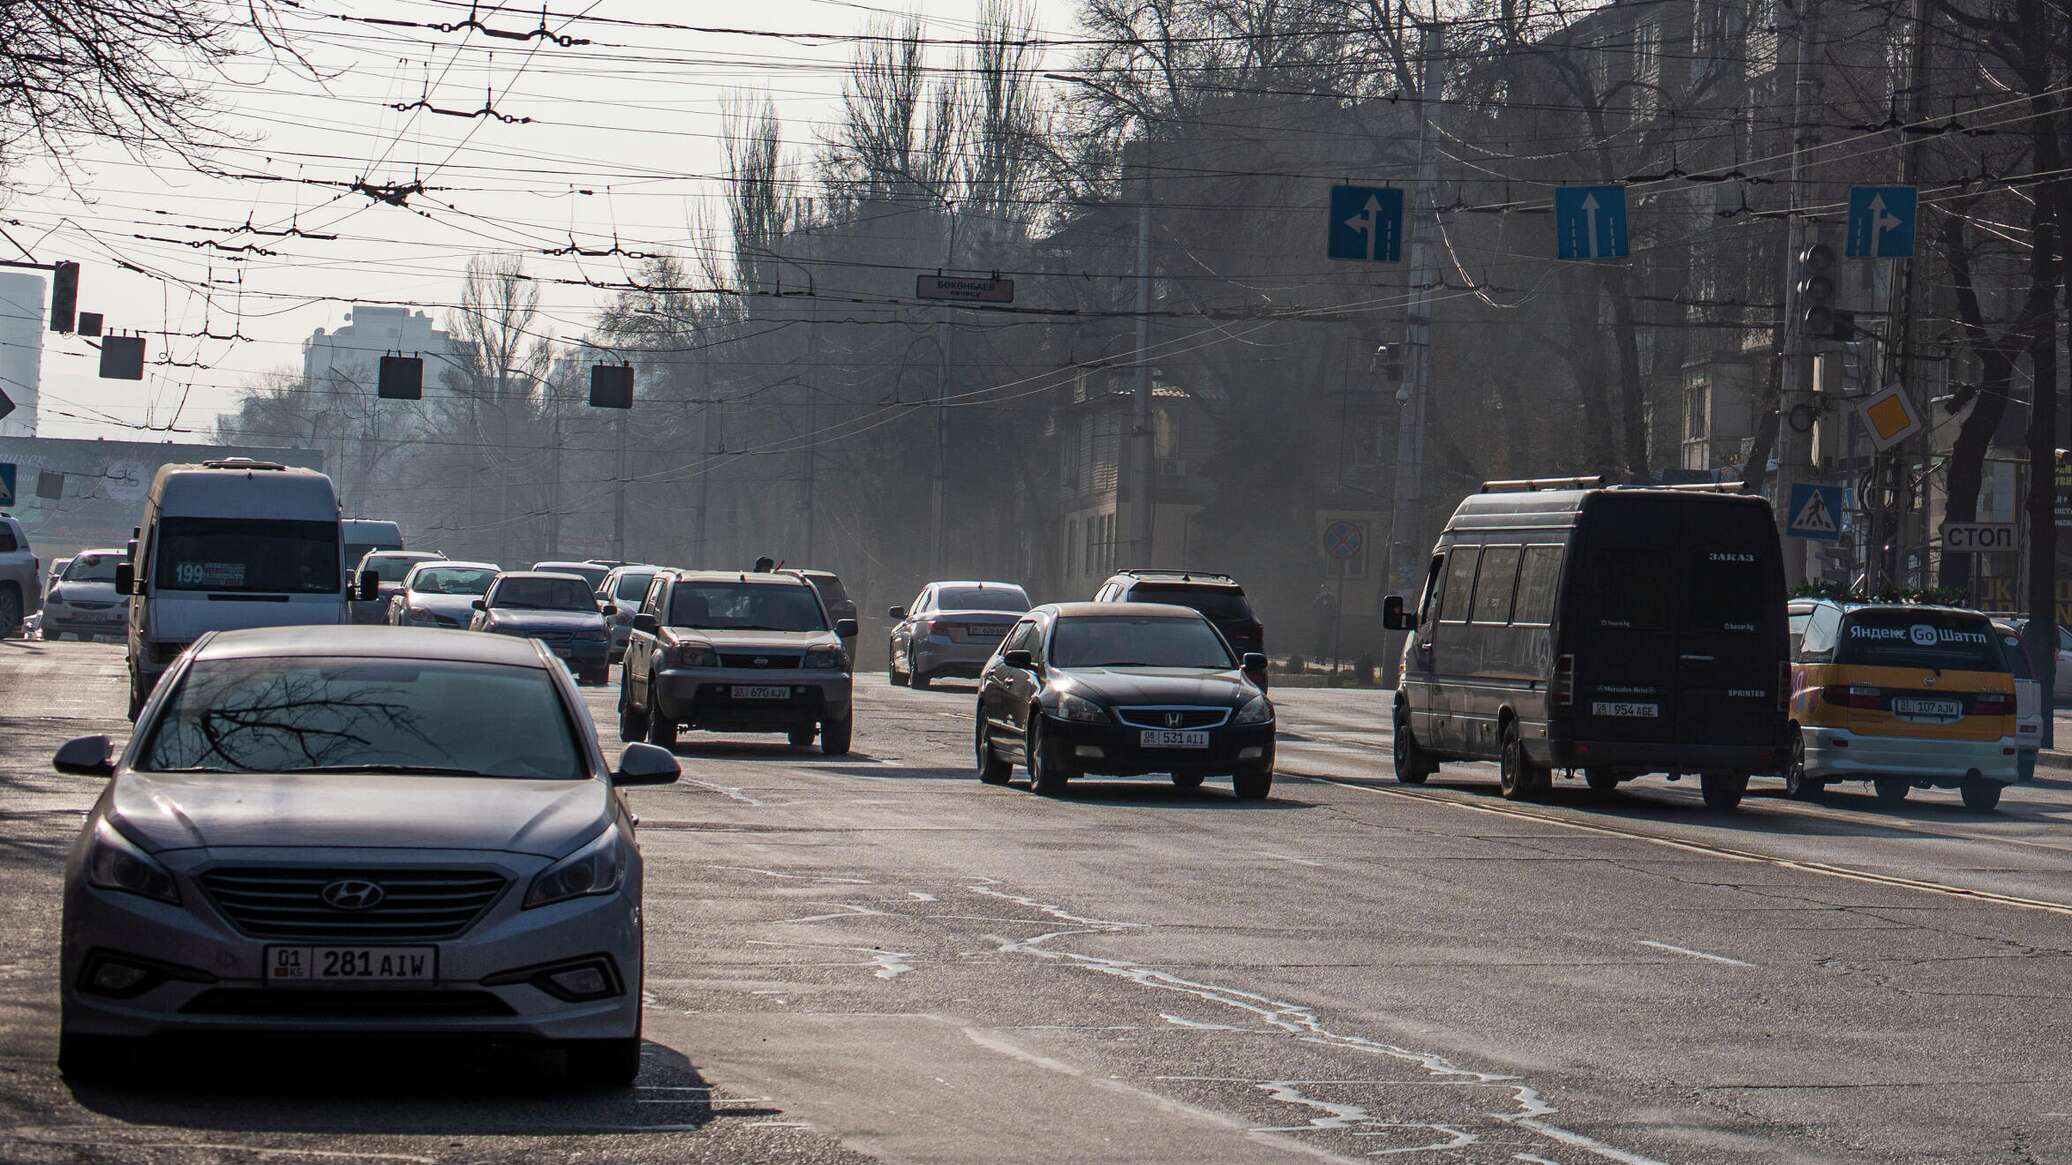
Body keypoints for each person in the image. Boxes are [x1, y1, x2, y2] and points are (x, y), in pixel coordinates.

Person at [1312, 582, 1338, 661]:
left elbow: (1334, 611)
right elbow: (1314, 610)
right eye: (1323, 589)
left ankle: (1323, 658)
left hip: (1327, 624)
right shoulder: (1318, 599)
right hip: (1319, 623)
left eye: (1326, 589)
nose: (1324, 591)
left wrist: (1332, 622)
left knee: (1326, 641)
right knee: (1318, 640)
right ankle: (1317, 656)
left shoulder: (1332, 599)